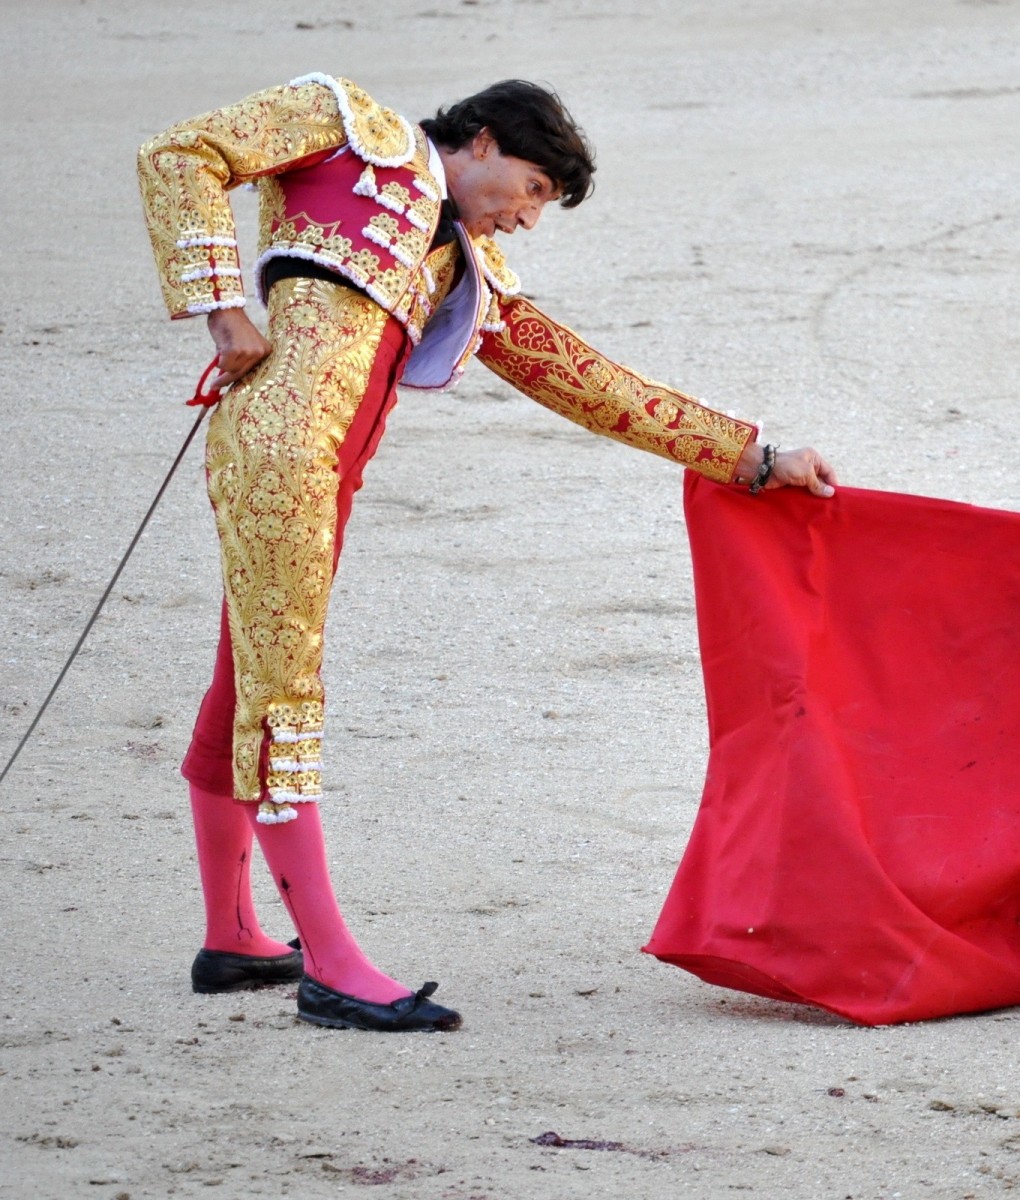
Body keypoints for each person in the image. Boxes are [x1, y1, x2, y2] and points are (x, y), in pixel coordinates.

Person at [137, 72, 836, 1032]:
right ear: (480, 141)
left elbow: (582, 379)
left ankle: (233, 935)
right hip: (283, 451)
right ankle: (331, 966)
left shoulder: (463, 267)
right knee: (282, 693)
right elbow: (180, 152)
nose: (529, 217)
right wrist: (223, 308)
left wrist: (753, 458)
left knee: (249, 676)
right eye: (535, 190)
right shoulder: (346, 124)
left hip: (322, 469)